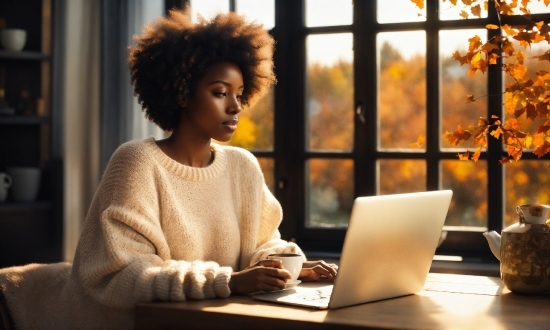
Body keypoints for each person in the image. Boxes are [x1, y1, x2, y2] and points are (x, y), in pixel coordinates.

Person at [16, 7, 336, 330]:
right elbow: (126, 275)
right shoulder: (137, 163)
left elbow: (261, 242)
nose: (235, 107)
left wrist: (287, 264)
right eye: (220, 93)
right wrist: (230, 281)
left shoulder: (243, 167)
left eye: (239, 94)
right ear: (182, 93)